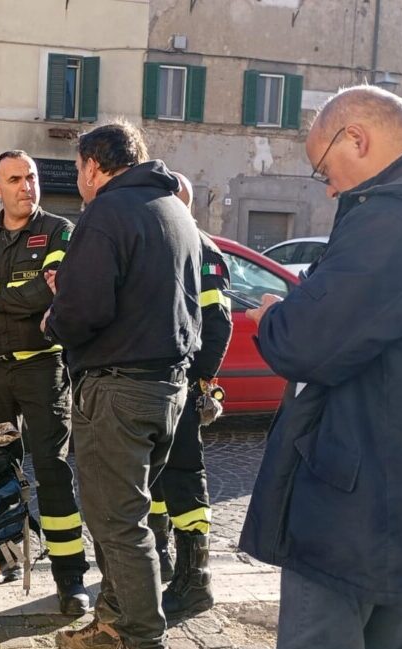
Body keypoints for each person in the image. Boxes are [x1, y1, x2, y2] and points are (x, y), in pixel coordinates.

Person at [240, 85, 402, 649]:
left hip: (355, 497)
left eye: (323, 171)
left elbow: (308, 343)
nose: (331, 187)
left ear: (356, 138)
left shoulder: (398, 216)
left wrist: (273, 319)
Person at [43, 121, 201, 649]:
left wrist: (53, 317)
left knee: (119, 524)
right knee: (124, 516)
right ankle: (113, 618)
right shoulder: (174, 210)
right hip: (167, 389)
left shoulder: (107, 213)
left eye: (81, 169)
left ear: (91, 165)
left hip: (118, 389)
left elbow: (84, 309)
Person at [0, 150, 88, 614]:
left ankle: (70, 578)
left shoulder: (58, 231)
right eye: (15, 179)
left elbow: (52, 287)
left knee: (52, 469)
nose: (26, 185)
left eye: (30, 177)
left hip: (42, 369)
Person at [148, 173, 233, 622]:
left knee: (184, 476)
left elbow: (219, 322)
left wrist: (200, 382)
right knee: (157, 478)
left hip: (183, 381)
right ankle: (159, 554)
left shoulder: (204, 249)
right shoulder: (162, 244)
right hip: (157, 381)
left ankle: (195, 578)